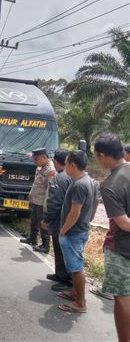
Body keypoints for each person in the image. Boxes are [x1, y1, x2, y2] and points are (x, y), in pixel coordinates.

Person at [94, 134, 130, 341]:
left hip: (121, 249)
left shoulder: (109, 185)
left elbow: (123, 223)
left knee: (123, 298)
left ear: (103, 155)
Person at [57, 150, 95, 313]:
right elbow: (93, 207)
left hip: (73, 232)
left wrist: (63, 230)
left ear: (72, 165)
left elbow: (75, 212)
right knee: (73, 265)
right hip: (79, 230)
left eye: (66, 163)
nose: (64, 167)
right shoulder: (87, 180)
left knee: (76, 267)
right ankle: (74, 293)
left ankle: (80, 303)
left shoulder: (80, 185)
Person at [41, 149, 73, 291]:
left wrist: (46, 219)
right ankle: (60, 274)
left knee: (61, 249)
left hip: (60, 219)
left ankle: (66, 280)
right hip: (67, 218)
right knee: (60, 248)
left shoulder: (60, 178)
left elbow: (54, 202)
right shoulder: (72, 176)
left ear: (55, 162)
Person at [20, 148, 56, 253]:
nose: (34, 161)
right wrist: (31, 192)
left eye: (36, 159)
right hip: (36, 199)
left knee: (42, 223)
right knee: (33, 220)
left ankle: (45, 245)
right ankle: (32, 238)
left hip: (42, 202)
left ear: (44, 157)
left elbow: (50, 190)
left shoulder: (51, 170)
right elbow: (36, 182)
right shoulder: (40, 167)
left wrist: (46, 205)